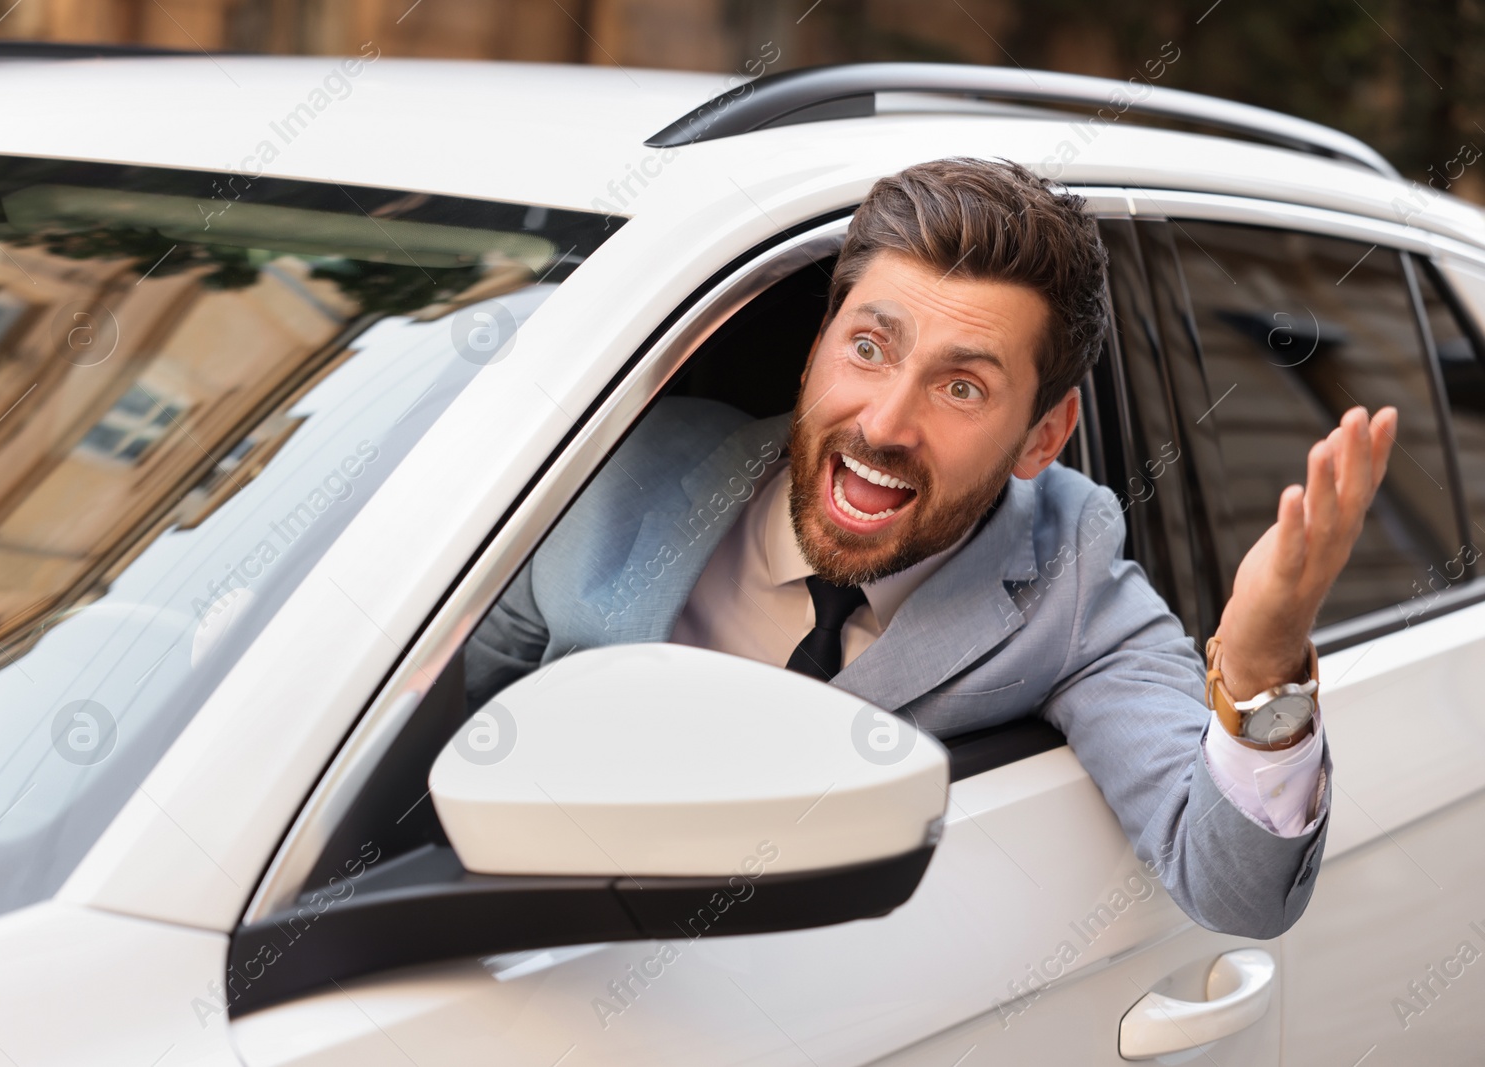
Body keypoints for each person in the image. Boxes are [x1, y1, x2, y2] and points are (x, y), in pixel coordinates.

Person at [465, 158, 1397, 938]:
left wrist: (1265, 660)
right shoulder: (596, 481)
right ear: (816, 348)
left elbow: (1233, 885)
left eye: (962, 388)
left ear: (1043, 435)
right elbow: (422, 749)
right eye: (869, 347)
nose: (886, 423)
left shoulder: (1073, 589)